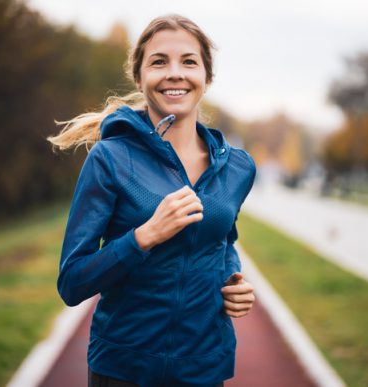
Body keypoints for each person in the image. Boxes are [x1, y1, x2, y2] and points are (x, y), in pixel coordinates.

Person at [48, 15, 257, 387]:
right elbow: (72, 282)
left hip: (205, 368)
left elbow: (224, 240)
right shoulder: (110, 158)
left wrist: (232, 281)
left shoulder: (238, 168)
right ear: (140, 77)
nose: (175, 73)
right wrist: (144, 236)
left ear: (206, 78)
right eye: (159, 61)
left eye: (189, 61)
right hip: (123, 370)